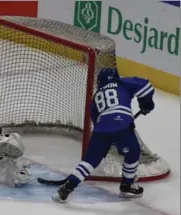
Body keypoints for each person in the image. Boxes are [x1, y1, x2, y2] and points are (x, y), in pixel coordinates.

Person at [53, 68, 155, 203]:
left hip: (101, 129)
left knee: (90, 161)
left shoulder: (95, 97)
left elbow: (96, 121)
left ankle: (67, 187)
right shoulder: (122, 83)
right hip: (122, 124)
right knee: (133, 152)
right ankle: (127, 184)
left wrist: (106, 141)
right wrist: (146, 103)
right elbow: (146, 86)